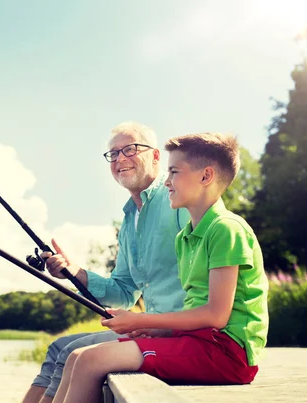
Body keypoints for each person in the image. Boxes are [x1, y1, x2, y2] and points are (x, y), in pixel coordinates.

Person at [52, 132, 269, 403]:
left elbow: (216, 316)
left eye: (174, 172)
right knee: (76, 357)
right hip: (197, 343)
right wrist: (156, 330)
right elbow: (194, 308)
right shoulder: (185, 237)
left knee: (91, 360)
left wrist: (141, 319)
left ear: (206, 176)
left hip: (227, 354)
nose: (166, 181)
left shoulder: (226, 229)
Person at [21, 122, 190, 403]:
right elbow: (124, 292)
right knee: (57, 348)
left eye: (130, 149)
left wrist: (162, 325)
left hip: (175, 334)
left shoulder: (178, 201)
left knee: (67, 353)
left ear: (157, 156)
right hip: (149, 330)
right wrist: (75, 273)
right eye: (113, 154)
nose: (120, 159)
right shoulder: (129, 220)